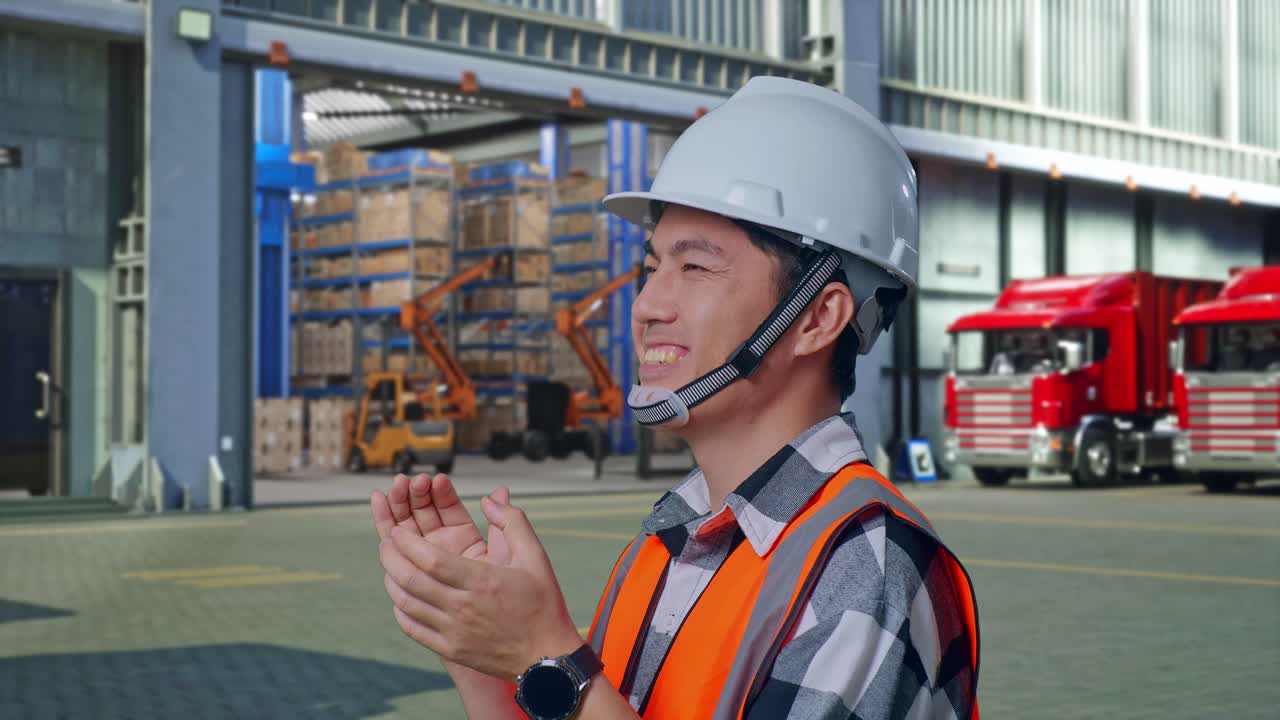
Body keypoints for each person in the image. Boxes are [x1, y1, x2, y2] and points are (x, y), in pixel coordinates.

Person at [370, 76, 980, 720]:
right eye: (652, 267)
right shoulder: (675, 534)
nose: (647, 305)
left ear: (818, 318)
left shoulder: (865, 562)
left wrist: (544, 654)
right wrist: (481, 651)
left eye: (695, 268)